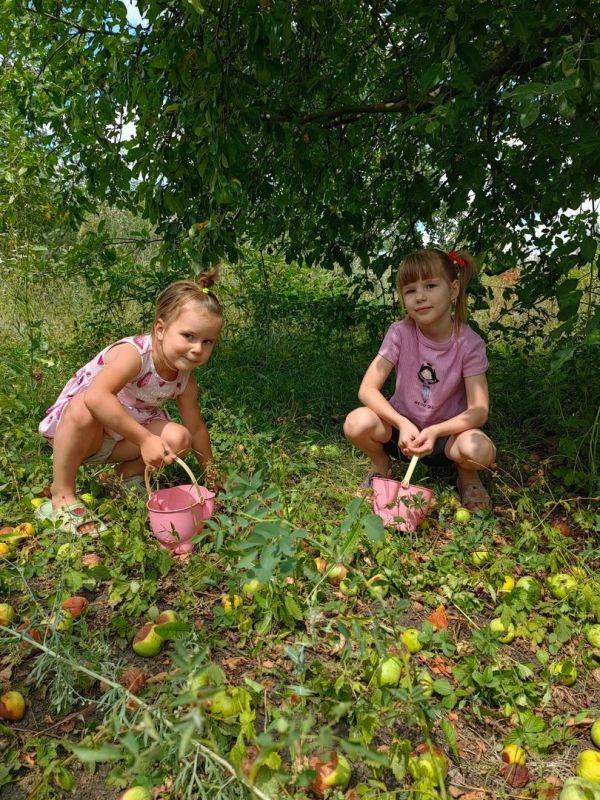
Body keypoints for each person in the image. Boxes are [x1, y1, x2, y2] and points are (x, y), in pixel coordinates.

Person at [37, 271, 223, 532]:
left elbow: (196, 428)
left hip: (123, 437)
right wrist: (146, 440)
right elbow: (96, 396)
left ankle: (124, 477)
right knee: (84, 407)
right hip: (82, 433)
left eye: (207, 342)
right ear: (160, 329)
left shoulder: (185, 380)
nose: (197, 349)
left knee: (179, 438)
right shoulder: (134, 355)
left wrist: (211, 472)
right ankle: (62, 494)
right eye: (188, 336)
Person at [343, 248, 496, 510]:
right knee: (356, 423)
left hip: (447, 437)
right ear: (403, 299)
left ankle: (467, 476)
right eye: (410, 290)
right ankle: (380, 465)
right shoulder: (400, 333)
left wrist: (436, 430)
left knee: (480, 450)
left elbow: (479, 410)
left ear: (454, 289)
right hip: (401, 433)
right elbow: (367, 389)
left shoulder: (469, 344)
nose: (420, 297)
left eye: (431, 285)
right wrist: (401, 423)